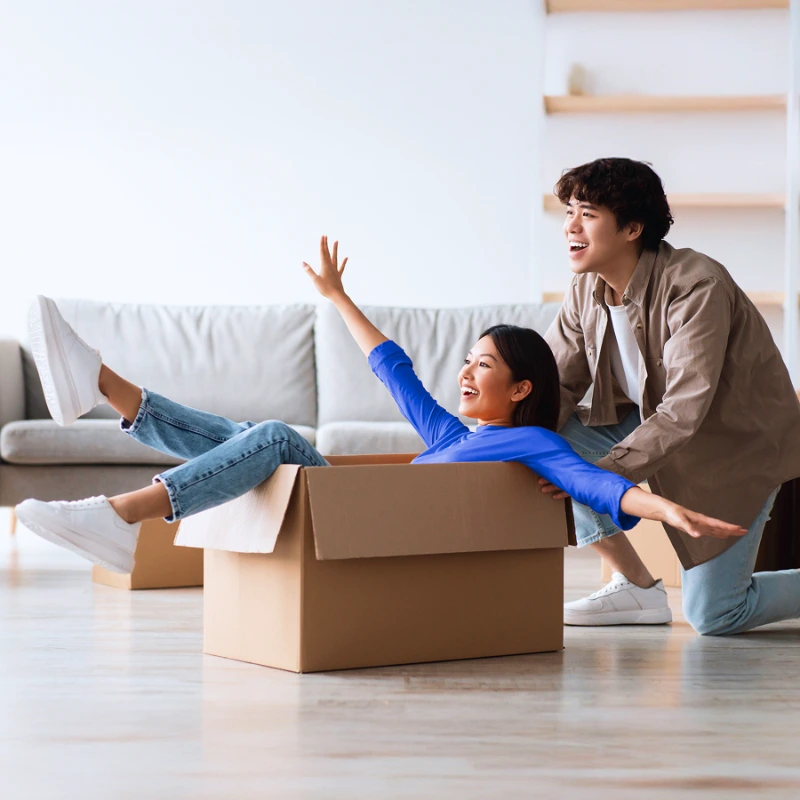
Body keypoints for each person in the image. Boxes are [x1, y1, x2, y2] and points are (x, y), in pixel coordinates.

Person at [16, 236, 746, 578]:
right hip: (345, 509)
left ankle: (121, 513)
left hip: (362, 530)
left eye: (482, 365)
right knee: (251, 437)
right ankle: (100, 385)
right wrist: (336, 297)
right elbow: (393, 368)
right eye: (466, 360)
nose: (465, 374)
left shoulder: (529, 446)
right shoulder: (451, 433)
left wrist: (670, 511)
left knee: (268, 435)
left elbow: (601, 486)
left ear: (522, 388)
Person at [543, 157, 800, 635]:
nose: (570, 227)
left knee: (715, 615)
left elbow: (684, 411)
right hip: (646, 424)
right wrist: (505, 441)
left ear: (632, 228)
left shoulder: (695, 284)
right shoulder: (585, 288)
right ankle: (636, 585)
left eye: (588, 214)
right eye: (569, 212)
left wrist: (598, 477)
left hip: (733, 447)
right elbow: (555, 385)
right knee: (546, 442)